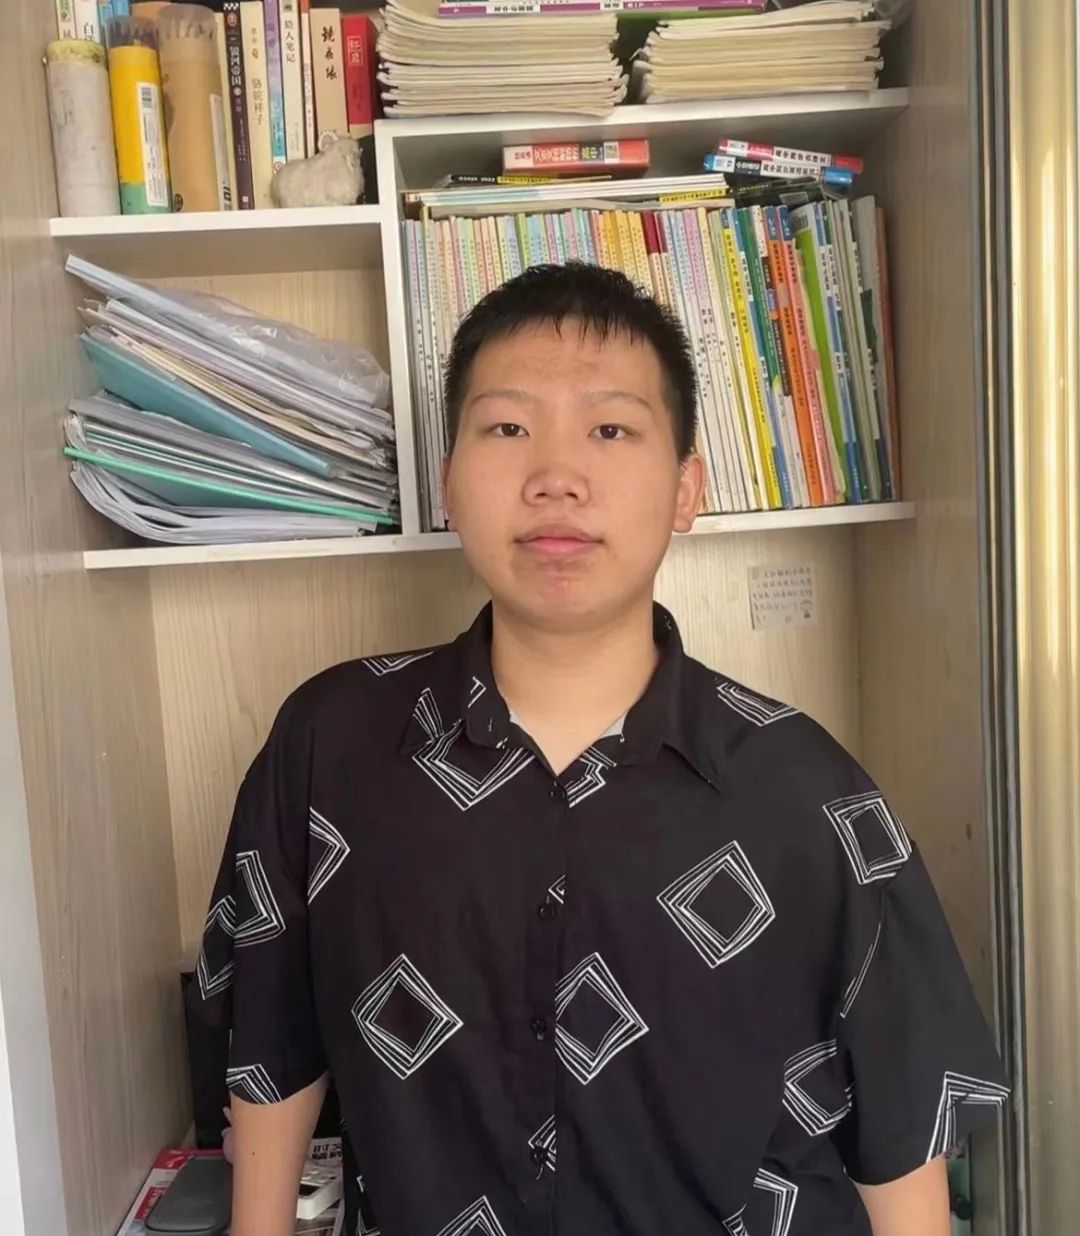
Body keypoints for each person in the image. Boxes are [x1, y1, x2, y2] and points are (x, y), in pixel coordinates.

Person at [191, 263, 1008, 1236]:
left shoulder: (806, 790)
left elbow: (901, 1128)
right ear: (448, 482)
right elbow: (270, 1038)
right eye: (507, 428)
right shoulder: (331, 746)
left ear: (685, 489)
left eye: (610, 430)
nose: (556, 476)